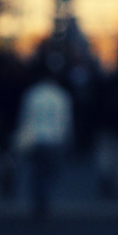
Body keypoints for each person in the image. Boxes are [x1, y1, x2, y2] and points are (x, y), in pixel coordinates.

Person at [14, 72, 73, 218]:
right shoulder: (60, 95)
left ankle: (38, 200)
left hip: (35, 137)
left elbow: (25, 117)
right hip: (54, 138)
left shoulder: (33, 93)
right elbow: (65, 119)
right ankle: (45, 199)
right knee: (50, 172)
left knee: (36, 172)